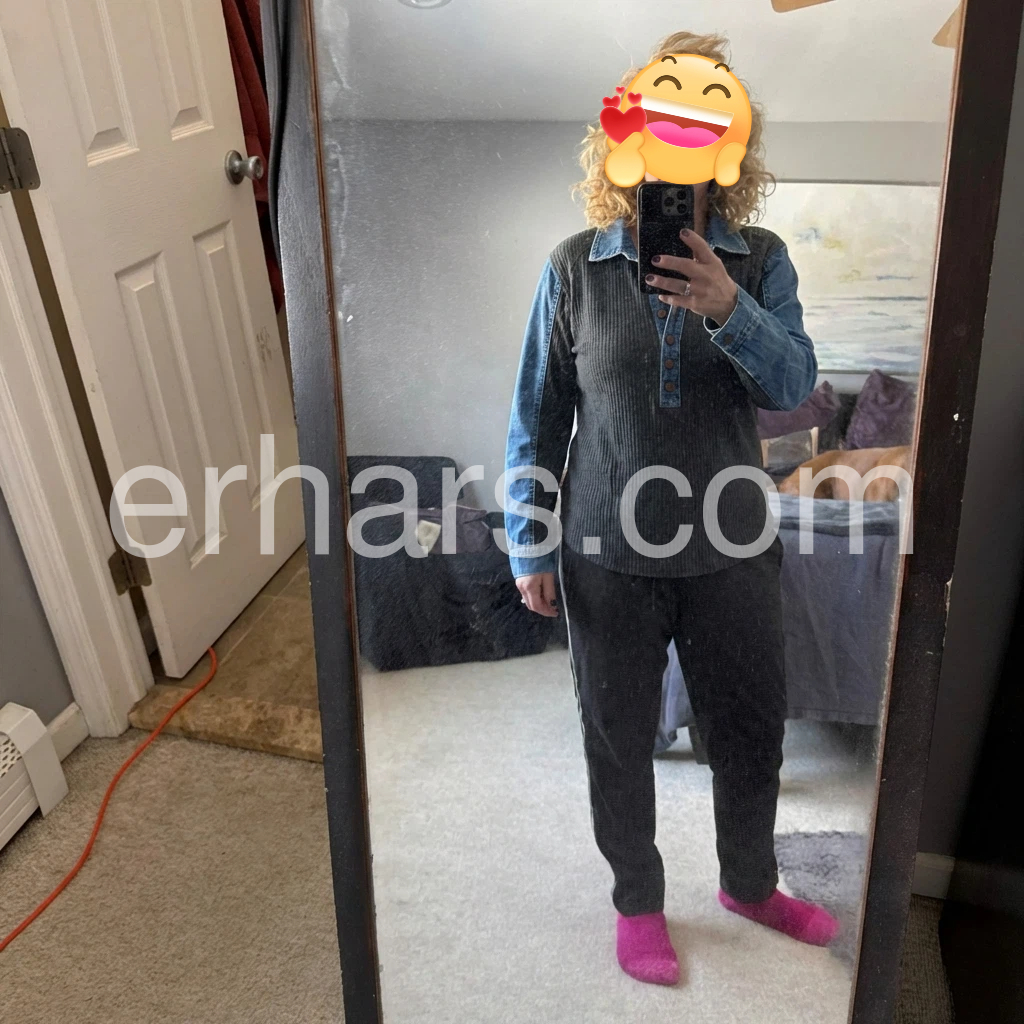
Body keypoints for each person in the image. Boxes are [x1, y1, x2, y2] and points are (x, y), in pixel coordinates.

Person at [504, 31, 839, 986]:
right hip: (604, 552)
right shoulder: (572, 267)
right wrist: (530, 542)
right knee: (617, 739)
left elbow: (795, 387)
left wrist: (729, 304)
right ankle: (638, 903)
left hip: (733, 546)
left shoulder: (761, 261)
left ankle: (750, 885)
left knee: (751, 730)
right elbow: (537, 415)